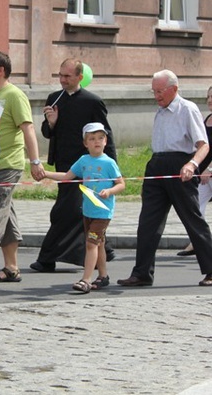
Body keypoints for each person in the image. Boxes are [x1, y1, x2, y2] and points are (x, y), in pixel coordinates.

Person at [118, 70, 212, 287]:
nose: (156, 96)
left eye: (160, 91)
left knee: (192, 220)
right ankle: (142, 273)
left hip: (180, 167)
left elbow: (203, 144)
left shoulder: (187, 109)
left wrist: (192, 164)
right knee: (147, 222)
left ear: (174, 89)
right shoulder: (160, 111)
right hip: (157, 166)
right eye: (154, 91)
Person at [31, 58, 117, 273]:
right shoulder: (54, 98)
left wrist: (111, 166)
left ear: (80, 77)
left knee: (65, 211)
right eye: (60, 75)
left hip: (87, 167)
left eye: (67, 76)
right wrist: (51, 122)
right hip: (63, 163)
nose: (62, 80)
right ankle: (105, 250)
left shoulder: (92, 102)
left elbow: (106, 135)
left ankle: (47, 258)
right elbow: (47, 132)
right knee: (79, 210)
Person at [0, 51, 45, 284]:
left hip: (9, 164)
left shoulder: (14, 95)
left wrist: (35, 162)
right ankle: (11, 267)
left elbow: (27, 128)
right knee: (5, 215)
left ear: (1, 70)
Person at [42, 123, 125, 293]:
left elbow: (121, 184)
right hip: (88, 210)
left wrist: (109, 191)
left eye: (100, 138)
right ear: (85, 143)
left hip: (103, 212)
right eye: (92, 138)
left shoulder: (109, 163)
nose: (97, 141)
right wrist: (46, 174)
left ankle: (85, 279)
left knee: (90, 244)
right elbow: (67, 176)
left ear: (105, 141)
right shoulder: (83, 161)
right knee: (99, 244)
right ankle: (103, 276)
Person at [176, 85, 212, 257]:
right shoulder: (206, 120)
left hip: (208, 172)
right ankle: (196, 243)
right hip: (201, 174)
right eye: (208, 97)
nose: (210, 100)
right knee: (196, 208)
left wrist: (210, 169)